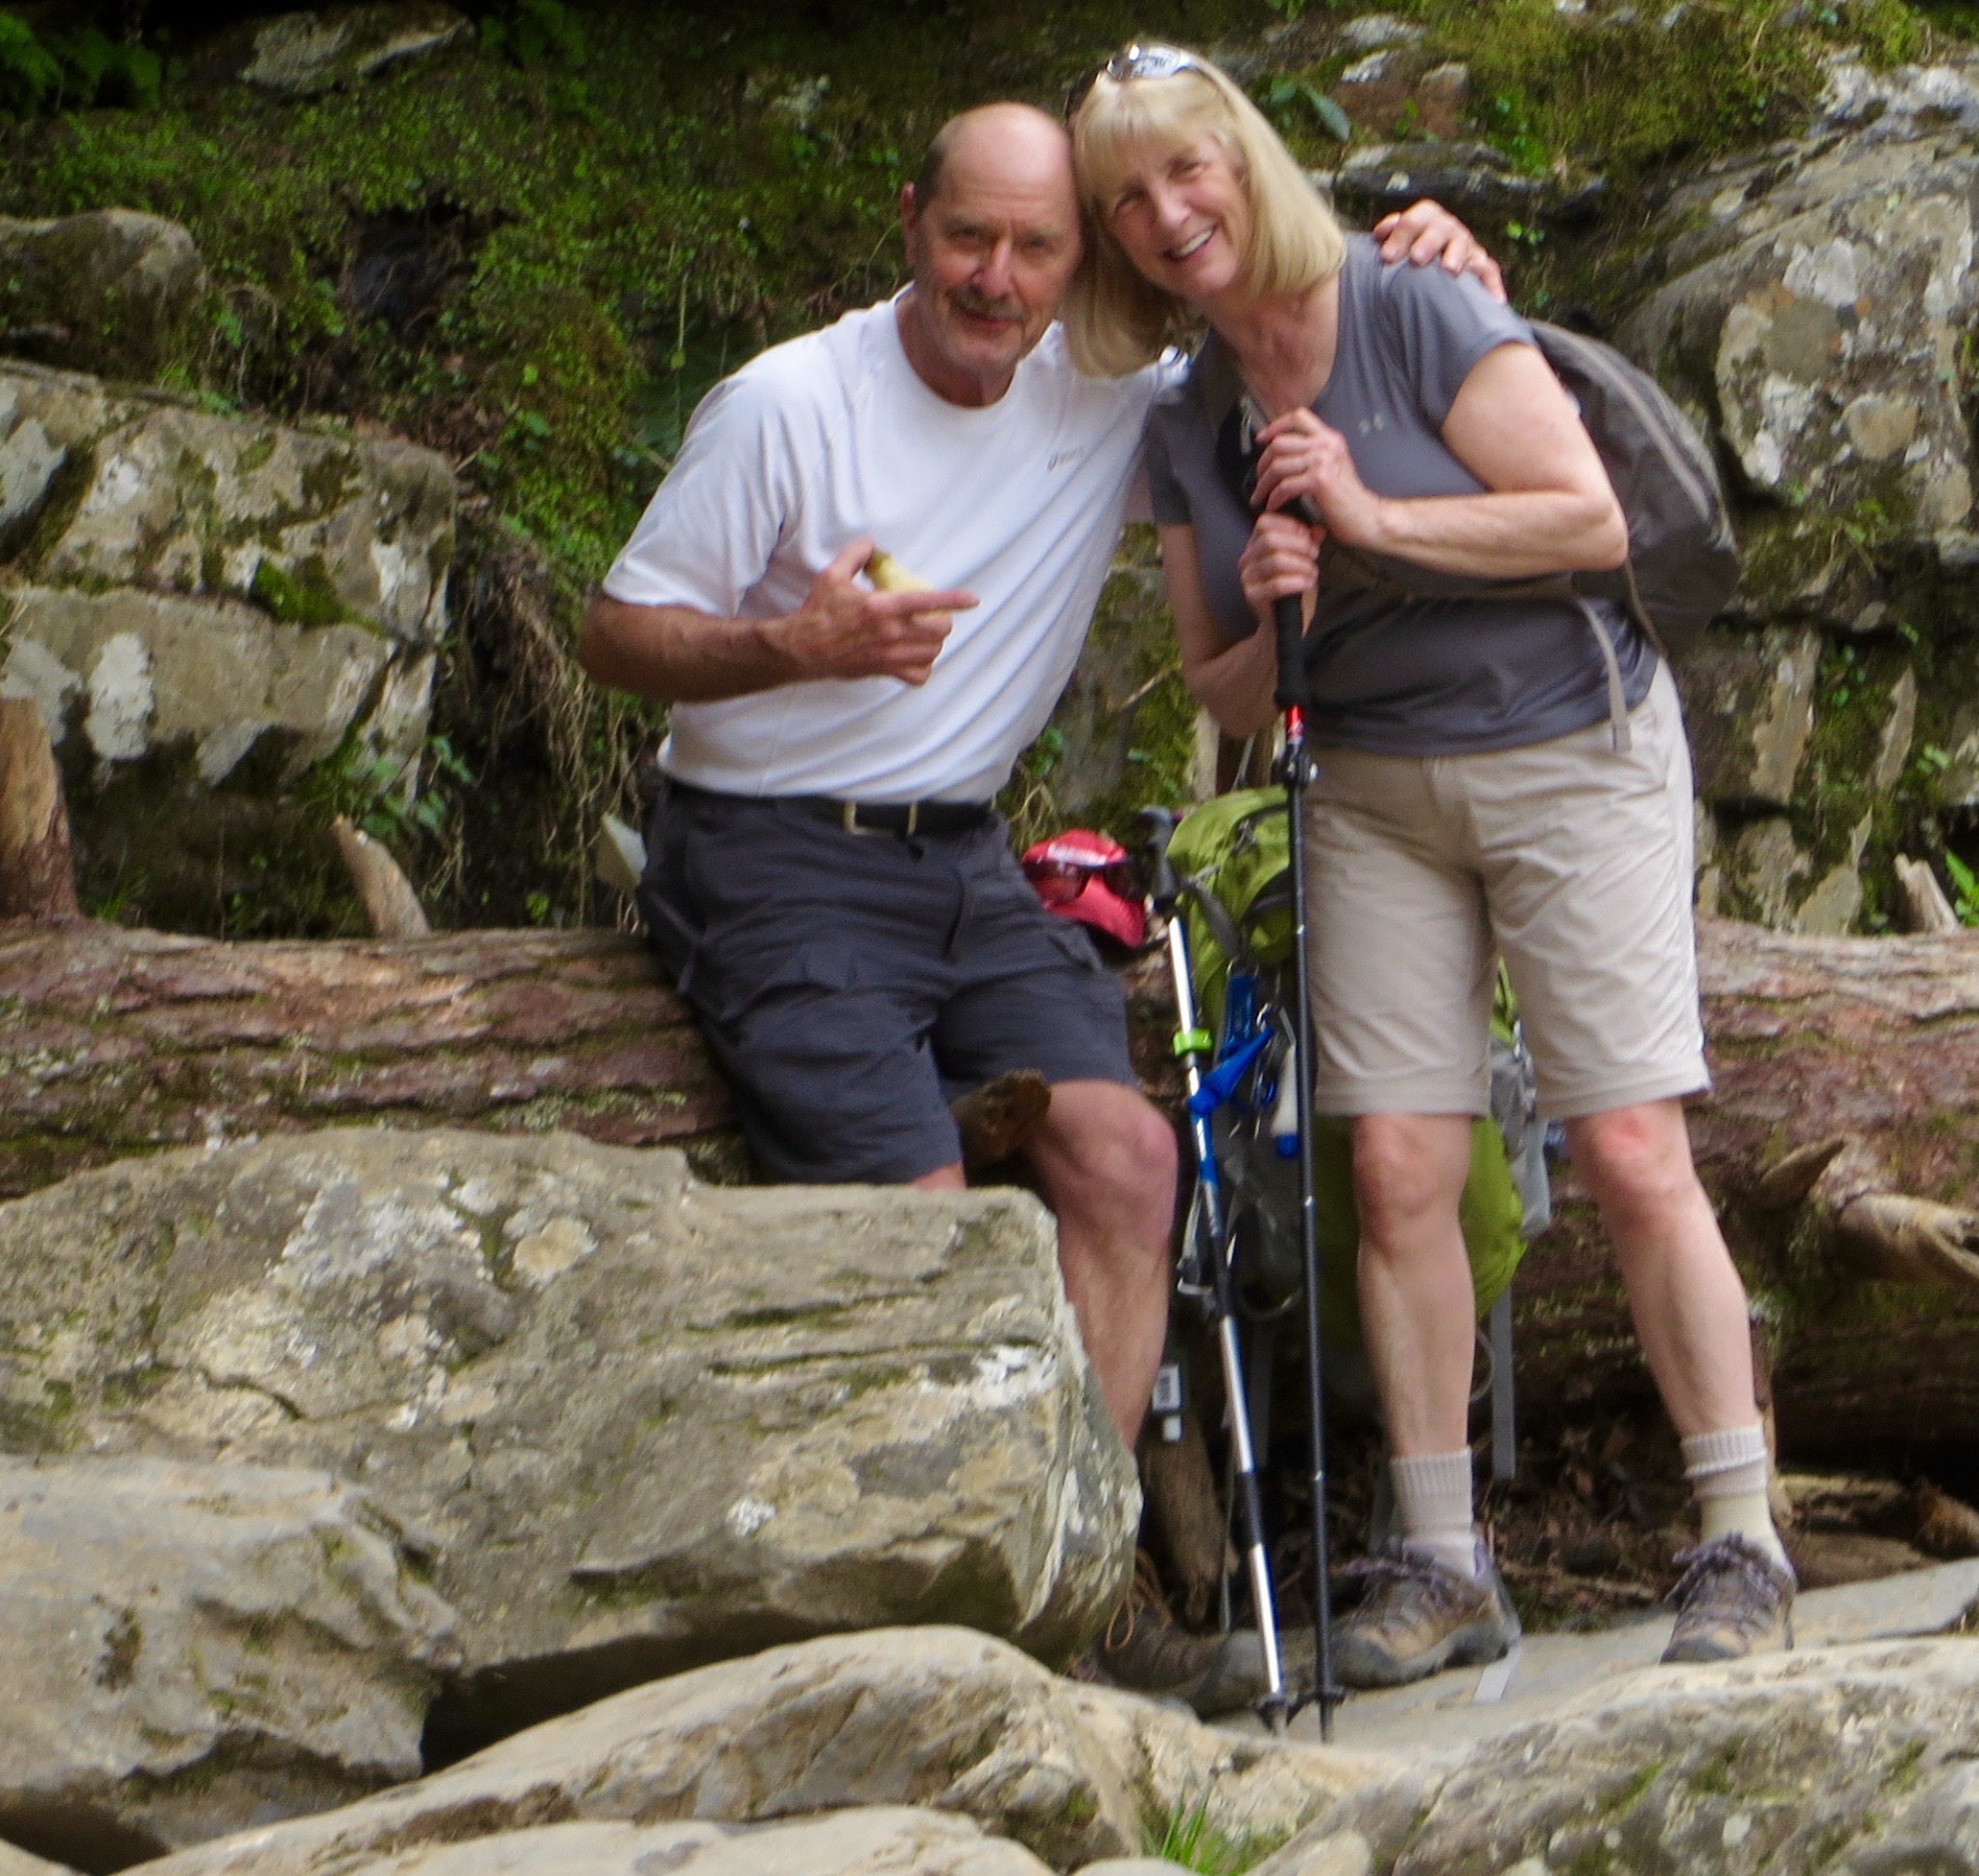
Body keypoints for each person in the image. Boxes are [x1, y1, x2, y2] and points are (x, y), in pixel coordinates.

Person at [575, 100, 1493, 1697]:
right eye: (966, 237)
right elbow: (614, 630)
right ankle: (940, 1618)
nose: (994, 278)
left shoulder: (1111, 388)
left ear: (1081, 261)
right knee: (927, 1224)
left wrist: (1420, 262)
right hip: (768, 847)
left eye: (1034, 246)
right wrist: (783, 648)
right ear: (910, 219)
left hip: (963, 859)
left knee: (1132, 1162)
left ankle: (1080, 1583)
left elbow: (1278, 300)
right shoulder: (786, 406)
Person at [1065, 42, 1795, 1689]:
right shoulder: (1190, 418)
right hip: (1370, 787)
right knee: (1393, 1166)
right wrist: (1270, 593)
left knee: (1622, 1141)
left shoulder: (1411, 302)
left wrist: (1371, 518)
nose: (1166, 213)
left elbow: (1584, 518)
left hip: (1566, 744)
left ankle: (1740, 1533)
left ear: (1246, 161)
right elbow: (1229, 687)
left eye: (1187, 169)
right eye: (1126, 197)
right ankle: (1441, 1559)